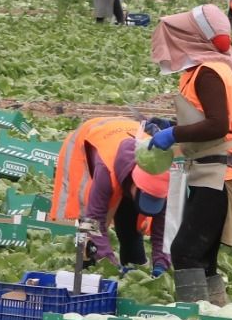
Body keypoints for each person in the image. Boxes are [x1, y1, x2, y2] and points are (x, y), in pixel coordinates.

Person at [146, 4, 232, 308]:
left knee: (186, 251)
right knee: (202, 255)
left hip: (222, 171)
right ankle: (215, 316)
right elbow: (209, 120)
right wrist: (171, 126)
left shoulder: (208, 72)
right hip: (215, 168)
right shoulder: (206, 70)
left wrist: (174, 134)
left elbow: (218, 125)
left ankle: (195, 319)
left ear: (193, 38)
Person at [50, 116, 170, 274]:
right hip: (86, 146)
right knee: (87, 229)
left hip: (124, 144)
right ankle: (85, 269)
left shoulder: (162, 180)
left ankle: (133, 265)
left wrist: (161, 264)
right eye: (146, 197)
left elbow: (162, 230)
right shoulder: (105, 171)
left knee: (129, 225)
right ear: (135, 182)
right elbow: (93, 220)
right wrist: (110, 264)